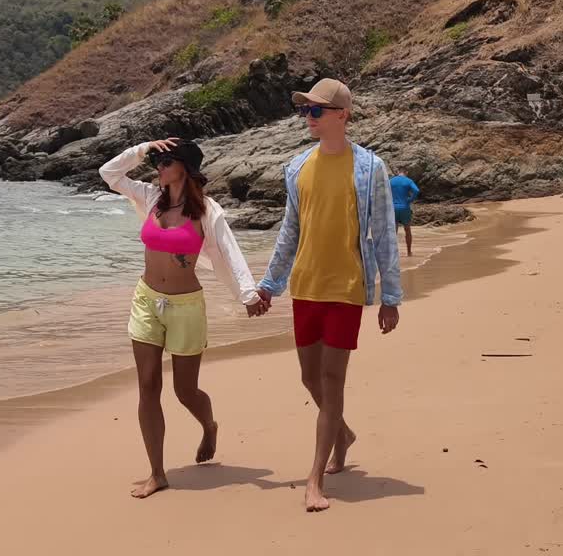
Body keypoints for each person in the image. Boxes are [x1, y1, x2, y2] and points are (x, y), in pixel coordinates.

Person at [256, 78, 403, 512]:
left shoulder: (371, 168)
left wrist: (390, 296)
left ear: (343, 115)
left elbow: (383, 236)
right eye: (305, 111)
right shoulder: (296, 167)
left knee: (332, 380)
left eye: (317, 111)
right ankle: (343, 433)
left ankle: (314, 480)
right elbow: (290, 231)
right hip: (306, 285)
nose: (309, 118)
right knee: (309, 377)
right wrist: (269, 284)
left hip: (346, 288)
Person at [100, 137, 267, 499]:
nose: (158, 166)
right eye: (156, 161)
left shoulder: (207, 211)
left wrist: (248, 294)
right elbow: (109, 173)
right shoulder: (149, 198)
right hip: (145, 300)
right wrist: (143, 148)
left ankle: (208, 425)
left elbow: (229, 252)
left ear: (185, 168)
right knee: (148, 385)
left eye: (165, 160)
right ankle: (157, 473)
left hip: (186, 307)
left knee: (184, 390)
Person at [389, 170, 420, 257]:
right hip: (404, 207)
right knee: (407, 229)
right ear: (406, 172)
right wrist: (410, 200)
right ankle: (409, 252)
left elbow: (384, 191)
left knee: (393, 231)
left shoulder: (391, 181)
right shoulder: (408, 181)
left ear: (398, 172)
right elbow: (416, 190)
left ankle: (393, 253)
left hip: (393, 208)